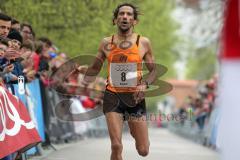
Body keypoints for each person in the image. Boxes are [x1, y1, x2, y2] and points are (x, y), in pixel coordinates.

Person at [81, 3, 157, 160]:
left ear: (134, 21)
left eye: (129, 15)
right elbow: (95, 68)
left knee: (143, 150)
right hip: (112, 96)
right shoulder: (106, 43)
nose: (125, 17)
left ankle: (133, 128)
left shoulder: (143, 42)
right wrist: (82, 70)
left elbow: (154, 71)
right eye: (121, 14)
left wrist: (144, 84)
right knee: (116, 145)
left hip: (135, 98)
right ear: (115, 19)